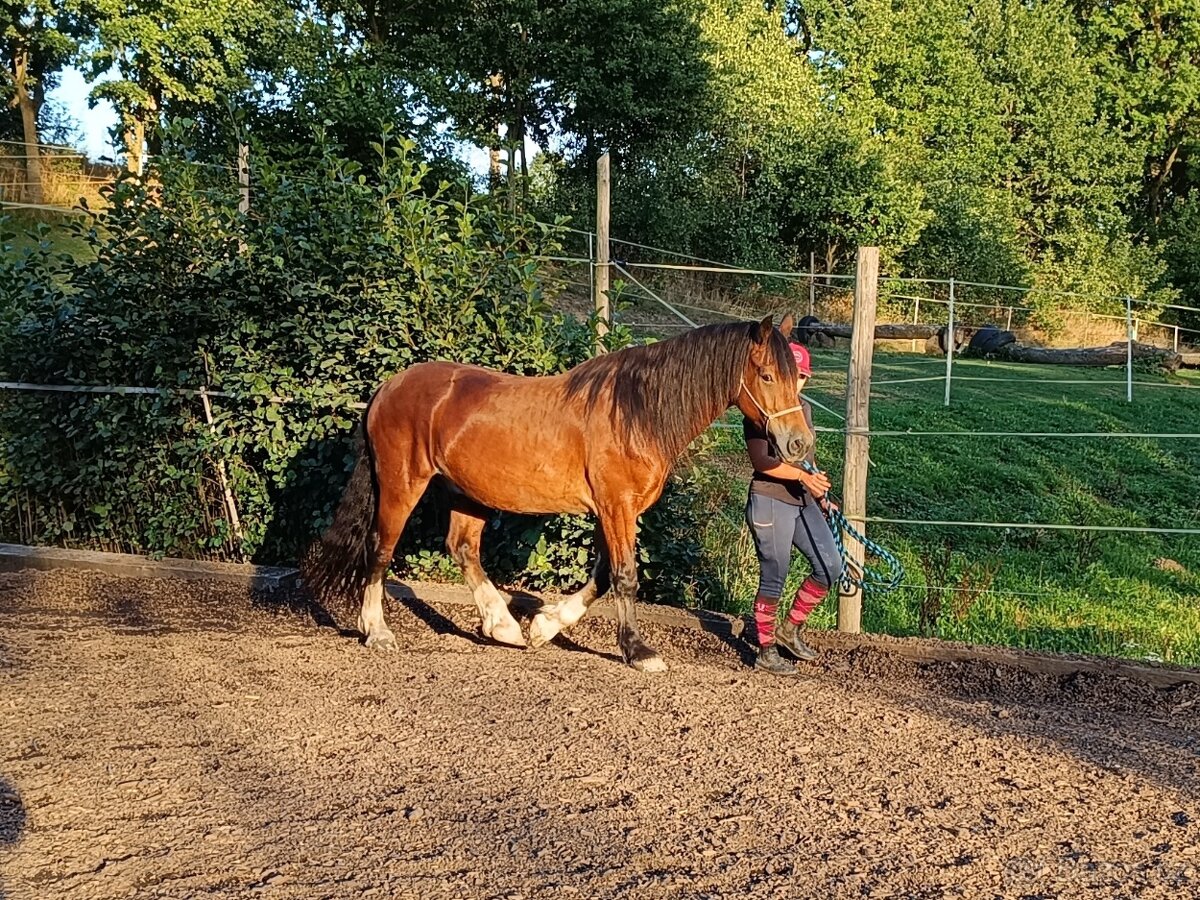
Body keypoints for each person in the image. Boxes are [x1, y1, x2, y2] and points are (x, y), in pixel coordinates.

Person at [743, 341, 843, 676]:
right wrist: (804, 477)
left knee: (830, 566)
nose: (797, 381)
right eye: (792, 374)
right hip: (771, 497)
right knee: (775, 575)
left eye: (801, 376)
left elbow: (805, 458)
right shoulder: (761, 407)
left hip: (802, 497)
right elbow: (762, 461)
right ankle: (766, 649)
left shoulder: (803, 410)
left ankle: (790, 628)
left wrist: (820, 492)